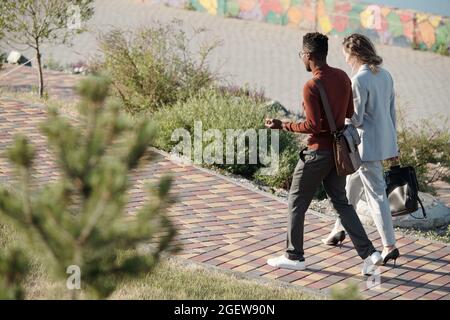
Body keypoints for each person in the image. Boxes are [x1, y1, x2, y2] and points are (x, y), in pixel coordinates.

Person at [265, 32, 382, 276]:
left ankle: (294, 256)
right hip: (339, 155)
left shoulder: (311, 86)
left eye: (302, 55)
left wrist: (283, 124)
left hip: (317, 154)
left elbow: (312, 127)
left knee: (296, 202)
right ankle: (371, 253)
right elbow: (349, 111)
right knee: (342, 203)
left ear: (308, 55)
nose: (302, 59)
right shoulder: (342, 77)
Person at [322, 33, 400, 266]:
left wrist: (338, 117)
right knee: (350, 189)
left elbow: (355, 118)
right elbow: (391, 112)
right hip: (382, 143)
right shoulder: (385, 76)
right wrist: (394, 145)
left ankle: (389, 245)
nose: (345, 59)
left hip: (364, 148)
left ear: (355, 54)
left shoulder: (359, 80)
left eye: (346, 54)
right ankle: (338, 229)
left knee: (376, 196)